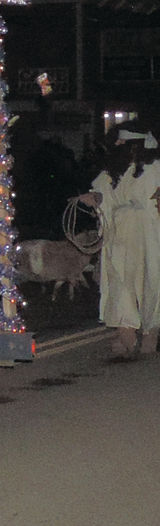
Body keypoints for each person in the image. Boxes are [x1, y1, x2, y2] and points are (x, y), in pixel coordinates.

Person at [76, 123, 160, 358]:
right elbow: (105, 198)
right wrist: (95, 199)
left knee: (149, 281)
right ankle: (125, 331)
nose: (118, 146)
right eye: (117, 142)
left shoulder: (154, 169)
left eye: (123, 142)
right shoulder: (110, 174)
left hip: (147, 235)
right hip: (119, 237)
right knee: (120, 282)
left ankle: (150, 330)